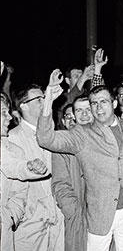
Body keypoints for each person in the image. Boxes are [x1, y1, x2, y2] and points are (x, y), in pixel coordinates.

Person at [37, 70, 123, 251]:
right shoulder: (82, 134)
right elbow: (45, 139)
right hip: (99, 215)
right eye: (94, 104)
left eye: (103, 102)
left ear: (115, 103)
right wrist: (48, 100)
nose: (99, 108)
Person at [7, 83, 65, 251]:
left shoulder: (53, 134)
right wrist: (23, 214)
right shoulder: (12, 138)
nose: (44, 102)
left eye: (45, 98)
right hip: (30, 225)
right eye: (39, 99)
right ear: (23, 106)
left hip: (57, 220)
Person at [51, 95, 93, 251]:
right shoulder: (62, 147)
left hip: (102, 216)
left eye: (88, 110)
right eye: (69, 116)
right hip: (79, 216)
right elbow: (60, 183)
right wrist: (73, 210)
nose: (81, 116)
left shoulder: (103, 139)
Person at [1, 92, 29, 251]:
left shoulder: (14, 151)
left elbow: (20, 192)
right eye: (3, 113)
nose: (10, 117)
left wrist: (10, 217)